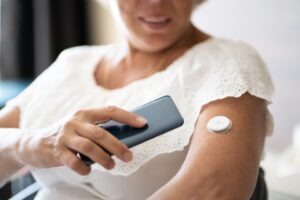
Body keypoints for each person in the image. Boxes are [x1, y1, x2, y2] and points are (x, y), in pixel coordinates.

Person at [0, 0, 274, 199]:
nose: (156, 3)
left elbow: (214, 189)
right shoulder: (72, 63)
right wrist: (30, 144)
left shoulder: (228, 64)